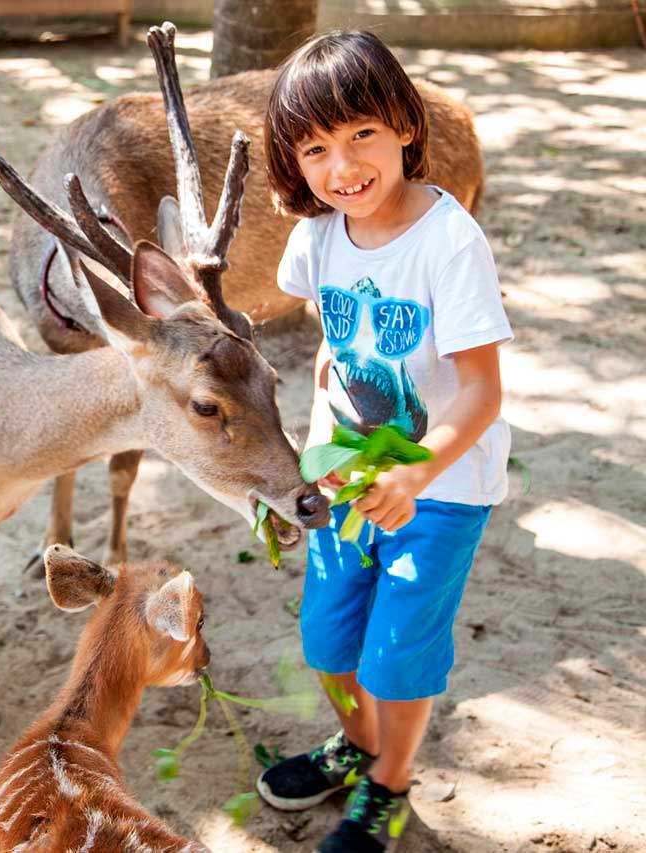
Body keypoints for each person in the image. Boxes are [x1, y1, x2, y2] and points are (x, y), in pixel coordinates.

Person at [255, 30, 512, 852]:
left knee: (397, 651)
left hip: (438, 487)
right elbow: (332, 332)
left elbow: (480, 390)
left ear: (404, 124)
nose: (343, 165)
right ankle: (357, 744)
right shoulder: (321, 236)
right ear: (296, 164)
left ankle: (389, 785)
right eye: (317, 148)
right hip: (345, 481)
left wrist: (414, 473)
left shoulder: (448, 242)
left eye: (361, 133)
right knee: (329, 636)